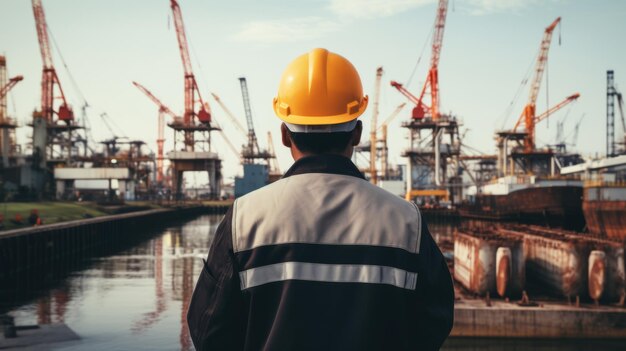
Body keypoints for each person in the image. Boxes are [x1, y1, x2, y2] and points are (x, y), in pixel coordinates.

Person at [187, 48, 454, 351]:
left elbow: (207, 331)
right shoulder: (406, 223)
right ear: (357, 134)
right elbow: (435, 321)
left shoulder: (244, 220)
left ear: (285, 135)